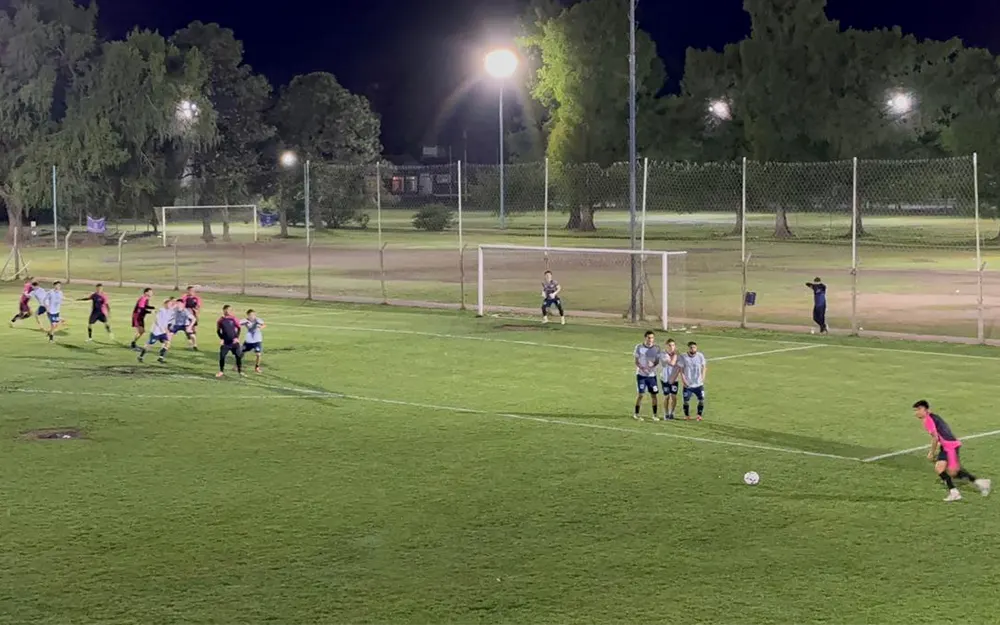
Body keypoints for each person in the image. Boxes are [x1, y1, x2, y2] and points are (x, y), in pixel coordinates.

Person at [913, 400, 991, 502]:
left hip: (950, 446)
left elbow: (935, 438)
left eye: (919, 409)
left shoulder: (928, 420)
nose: (917, 412)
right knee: (945, 469)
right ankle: (963, 489)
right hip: (948, 446)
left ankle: (970, 487)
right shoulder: (934, 417)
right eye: (916, 410)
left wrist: (931, 452)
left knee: (949, 471)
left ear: (926, 410)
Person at [632, 330, 661, 421]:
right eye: (649, 338)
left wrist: (653, 365)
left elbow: (657, 361)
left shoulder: (657, 348)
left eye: (652, 338)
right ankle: (636, 414)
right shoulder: (639, 347)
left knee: (654, 395)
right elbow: (636, 361)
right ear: (645, 338)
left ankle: (655, 415)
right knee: (640, 394)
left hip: (652, 376)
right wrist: (643, 368)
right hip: (641, 375)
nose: (650, 340)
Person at [138, 298, 176, 364]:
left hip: (163, 332)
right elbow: (157, 320)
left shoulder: (170, 311)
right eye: (169, 304)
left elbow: (171, 316)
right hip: (156, 332)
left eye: (171, 304)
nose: (170, 305)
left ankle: (161, 357)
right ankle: (141, 356)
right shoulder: (161, 310)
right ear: (165, 304)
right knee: (149, 344)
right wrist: (162, 328)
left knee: (167, 343)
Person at [678, 341, 707, 421]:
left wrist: (703, 378)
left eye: (694, 347)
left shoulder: (700, 356)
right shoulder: (683, 357)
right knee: (686, 401)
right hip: (688, 384)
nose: (693, 349)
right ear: (688, 348)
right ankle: (687, 416)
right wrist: (684, 381)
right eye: (691, 347)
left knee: (701, 400)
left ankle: (699, 415)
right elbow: (681, 370)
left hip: (698, 384)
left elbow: (704, 367)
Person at [216, 305, 244, 378]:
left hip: (234, 342)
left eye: (230, 310)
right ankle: (221, 371)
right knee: (222, 357)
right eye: (227, 310)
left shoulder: (234, 319)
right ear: (224, 310)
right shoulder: (220, 320)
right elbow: (218, 331)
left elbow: (239, 328)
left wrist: (237, 338)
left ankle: (240, 371)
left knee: (238, 356)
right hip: (225, 342)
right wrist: (221, 338)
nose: (229, 311)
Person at [660, 338, 680, 420]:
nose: (672, 347)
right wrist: (675, 355)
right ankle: (666, 413)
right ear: (666, 346)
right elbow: (672, 363)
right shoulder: (663, 354)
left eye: (673, 345)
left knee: (674, 396)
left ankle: (672, 413)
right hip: (665, 379)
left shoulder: (678, 355)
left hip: (674, 379)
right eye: (670, 345)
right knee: (667, 396)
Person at [241, 309, 266, 374]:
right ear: (248, 315)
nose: (252, 316)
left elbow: (264, 325)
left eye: (253, 315)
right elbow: (237, 324)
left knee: (258, 354)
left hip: (257, 340)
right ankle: (237, 365)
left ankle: (257, 367)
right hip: (248, 341)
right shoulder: (245, 321)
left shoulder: (258, 320)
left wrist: (260, 327)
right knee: (241, 353)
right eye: (250, 315)